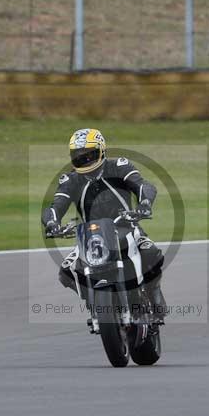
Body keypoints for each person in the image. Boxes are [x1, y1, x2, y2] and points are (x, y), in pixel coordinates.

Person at [41, 128, 166, 322]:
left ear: (101, 151)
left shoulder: (119, 166)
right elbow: (56, 205)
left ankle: (152, 291)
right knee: (66, 271)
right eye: (79, 156)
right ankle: (94, 303)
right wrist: (52, 222)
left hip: (127, 226)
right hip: (91, 236)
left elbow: (143, 185)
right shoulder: (70, 180)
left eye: (89, 155)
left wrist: (145, 203)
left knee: (151, 253)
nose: (85, 160)